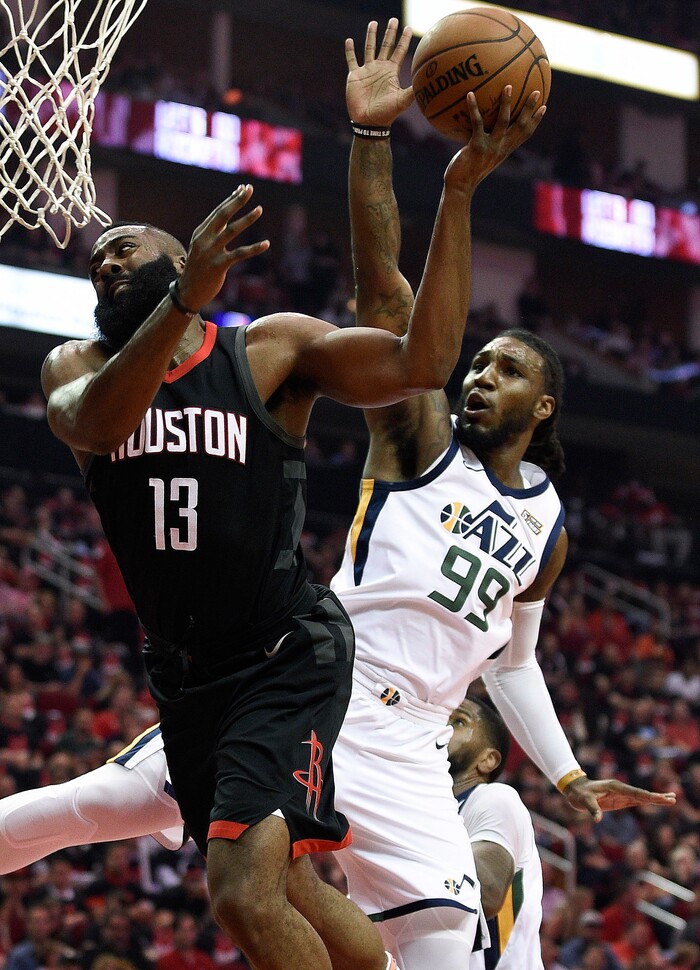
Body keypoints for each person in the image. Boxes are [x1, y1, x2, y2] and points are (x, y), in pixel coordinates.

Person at [39, 17, 546, 969]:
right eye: (95, 258)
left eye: (126, 244)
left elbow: (424, 357)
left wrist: (457, 186)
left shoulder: (264, 351)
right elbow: (96, 425)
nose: (105, 256)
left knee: (240, 893)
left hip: (289, 652)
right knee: (298, 890)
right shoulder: (80, 366)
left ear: (178, 251)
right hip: (188, 675)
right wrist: (182, 297)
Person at [328, 20, 676, 970]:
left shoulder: (547, 525)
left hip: (404, 734)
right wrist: (376, 146)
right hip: (333, 690)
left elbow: (513, 665)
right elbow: (387, 303)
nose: (477, 376)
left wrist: (566, 773)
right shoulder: (427, 441)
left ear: (545, 403)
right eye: (474, 363)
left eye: (504, 367)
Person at [447, 695, 544, 969]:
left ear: (488, 760)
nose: (441, 726)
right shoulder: (425, 814)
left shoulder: (494, 798)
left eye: (458, 721)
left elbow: (485, 893)